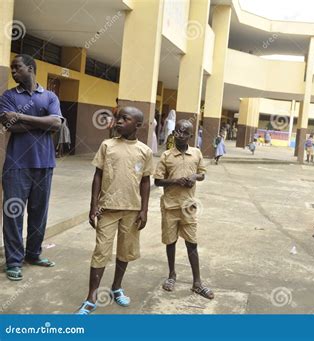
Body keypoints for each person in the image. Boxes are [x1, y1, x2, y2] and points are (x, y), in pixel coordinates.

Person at [76, 107, 153, 314]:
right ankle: (91, 295)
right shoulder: (107, 145)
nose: (118, 122)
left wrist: (144, 209)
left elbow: (145, 181)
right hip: (107, 209)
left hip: (132, 209)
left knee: (125, 251)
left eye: (124, 119)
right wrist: (93, 205)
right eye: (117, 118)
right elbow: (98, 176)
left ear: (137, 125)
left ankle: (117, 286)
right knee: (101, 250)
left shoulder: (145, 151)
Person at [0, 54, 63, 281]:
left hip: (44, 164)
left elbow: (56, 123)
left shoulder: (49, 95)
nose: (14, 72)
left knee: (39, 212)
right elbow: (9, 126)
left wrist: (20, 117)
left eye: (17, 68)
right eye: (11, 69)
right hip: (16, 165)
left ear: (30, 68)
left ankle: (33, 254)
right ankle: (14, 261)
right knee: (13, 213)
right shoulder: (8, 96)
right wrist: (42, 123)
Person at [154, 119, 214, 299]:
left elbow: (202, 174)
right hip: (170, 206)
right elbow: (157, 181)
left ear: (190, 135)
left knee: (192, 243)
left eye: (184, 132)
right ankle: (172, 275)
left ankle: (197, 282)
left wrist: (193, 177)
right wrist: (175, 181)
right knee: (170, 242)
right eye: (177, 131)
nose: (179, 134)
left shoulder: (196, 153)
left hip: (188, 206)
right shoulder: (166, 156)